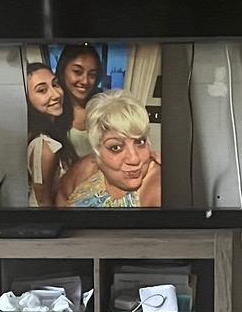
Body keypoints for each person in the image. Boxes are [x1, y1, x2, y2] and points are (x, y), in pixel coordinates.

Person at [56, 90, 162, 207]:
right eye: (116, 147)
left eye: (140, 142)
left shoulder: (158, 189)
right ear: (97, 151)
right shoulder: (87, 167)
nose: (134, 159)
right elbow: (61, 195)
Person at [24, 61, 72, 206]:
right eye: (42, 90)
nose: (56, 94)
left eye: (55, 84)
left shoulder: (53, 133)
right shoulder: (44, 146)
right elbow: (43, 202)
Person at [54, 42, 106, 159]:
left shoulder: (104, 107)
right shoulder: (53, 110)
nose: (85, 81)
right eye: (77, 72)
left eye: (92, 74)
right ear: (63, 71)